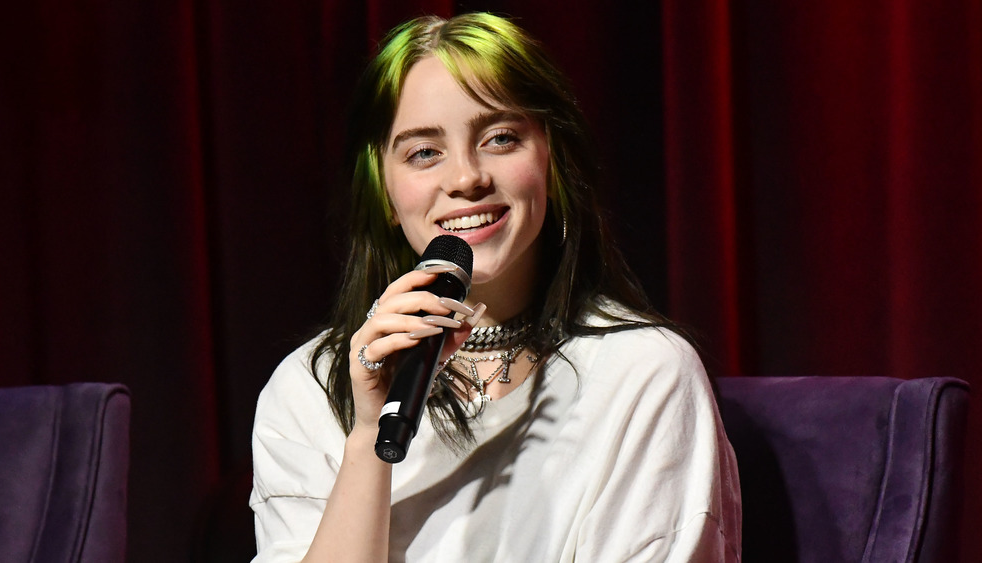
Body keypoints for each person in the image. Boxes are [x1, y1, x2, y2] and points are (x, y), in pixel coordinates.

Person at [250, 12, 741, 563]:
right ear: (385, 193)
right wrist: (368, 437)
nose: (465, 178)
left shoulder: (643, 373)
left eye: (501, 138)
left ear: (551, 161)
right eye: (424, 153)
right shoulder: (308, 387)